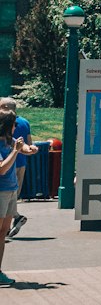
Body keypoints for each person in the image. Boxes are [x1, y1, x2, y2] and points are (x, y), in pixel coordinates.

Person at [0, 105, 36, 284]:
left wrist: (30, 149)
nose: (16, 126)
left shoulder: (9, 140)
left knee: (3, 232)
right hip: (1, 192)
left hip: (10, 190)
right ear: (7, 125)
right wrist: (15, 151)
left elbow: (24, 148)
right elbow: (1, 168)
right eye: (14, 123)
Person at [0, 97, 32, 239]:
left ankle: (16, 217)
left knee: (3, 231)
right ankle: (17, 217)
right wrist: (27, 149)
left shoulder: (9, 134)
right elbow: (28, 143)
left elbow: (23, 145)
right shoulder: (24, 123)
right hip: (17, 167)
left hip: (12, 170)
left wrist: (24, 149)